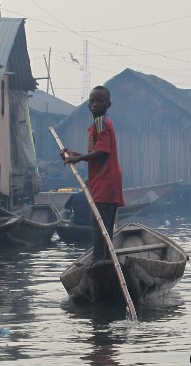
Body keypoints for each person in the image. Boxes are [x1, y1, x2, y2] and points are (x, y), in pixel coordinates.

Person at [62, 85, 123, 262]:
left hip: (105, 183)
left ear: (108, 104)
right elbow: (97, 156)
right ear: (88, 104)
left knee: (98, 225)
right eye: (92, 101)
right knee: (105, 227)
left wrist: (78, 159)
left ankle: (99, 261)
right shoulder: (99, 125)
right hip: (106, 182)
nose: (95, 104)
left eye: (99, 101)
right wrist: (74, 155)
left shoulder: (101, 123)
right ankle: (107, 261)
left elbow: (103, 152)